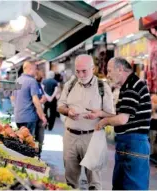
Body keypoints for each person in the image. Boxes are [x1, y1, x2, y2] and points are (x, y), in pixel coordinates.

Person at [57, 54, 115, 190]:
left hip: (92, 137)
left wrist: (99, 113)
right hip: (70, 137)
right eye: (77, 71)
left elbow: (111, 115)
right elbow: (60, 106)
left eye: (84, 71)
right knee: (70, 181)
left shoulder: (103, 87)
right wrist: (68, 112)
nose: (81, 75)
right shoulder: (70, 84)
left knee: (94, 182)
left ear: (93, 69)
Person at [95, 57, 152, 190]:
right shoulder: (127, 86)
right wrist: (100, 114)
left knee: (132, 187)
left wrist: (104, 121)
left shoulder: (132, 86)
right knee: (120, 186)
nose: (107, 75)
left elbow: (121, 119)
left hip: (134, 144)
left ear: (120, 69)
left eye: (109, 71)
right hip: (127, 144)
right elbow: (121, 115)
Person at [11, 61, 47, 135]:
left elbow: (13, 98)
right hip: (29, 117)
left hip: (18, 117)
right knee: (29, 142)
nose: (36, 71)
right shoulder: (32, 81)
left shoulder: (17, 81)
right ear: (30, 68)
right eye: (35, 69)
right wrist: (42, 116)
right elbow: (35, 100)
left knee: (21, 141)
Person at [35, 69, 47, 157]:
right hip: (34, 115)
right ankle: (35, 155)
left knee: (40, 137)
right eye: (41, 76)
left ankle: (38, 154)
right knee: (34, 138)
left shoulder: (39, 85)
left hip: (40, 115)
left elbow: (44, 97)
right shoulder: (32, 84)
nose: (42, 78)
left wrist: (42, 100)